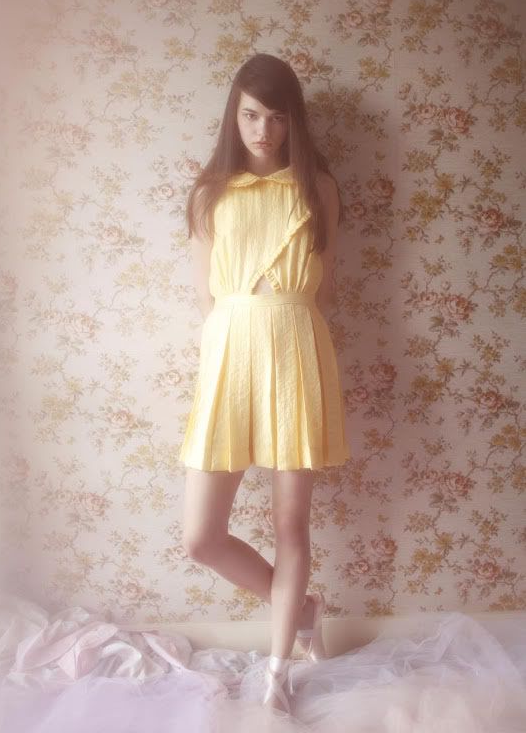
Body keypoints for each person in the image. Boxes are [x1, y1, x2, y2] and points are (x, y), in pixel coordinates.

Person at [179, 52, 350, 716]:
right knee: (200, 537)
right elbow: (206, 297)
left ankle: (278, 669)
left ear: (293, 122)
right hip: (229, 354)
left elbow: (322, 289)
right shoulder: (209, 193)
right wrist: (237, 338)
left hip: (295, 347)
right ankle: (302, 609)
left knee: (289, 522)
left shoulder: (318, 188)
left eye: (278, 118)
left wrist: (282, 324)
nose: (264, 131)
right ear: (234, 115)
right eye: (251, 115)